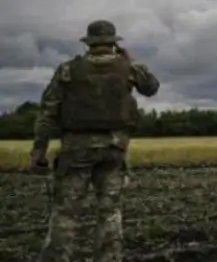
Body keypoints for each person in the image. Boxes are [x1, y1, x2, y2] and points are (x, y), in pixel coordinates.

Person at [30, 20, 160, 262]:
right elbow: (151, 88)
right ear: (113, 43)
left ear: (88, 43)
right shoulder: (128, 68)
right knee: (110, 211)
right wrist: (130, 60)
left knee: (66, 212)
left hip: (76, 149)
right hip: (115, 149)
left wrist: (39, 149)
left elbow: (48, 111)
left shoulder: (68, 69)